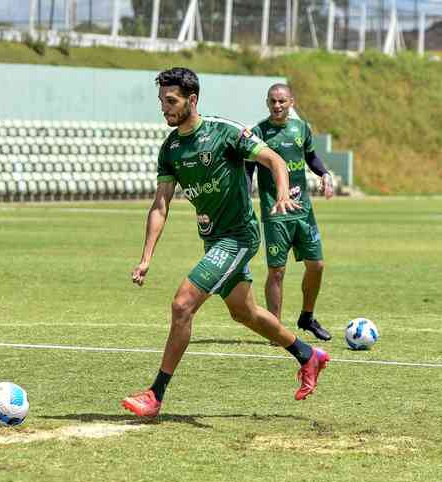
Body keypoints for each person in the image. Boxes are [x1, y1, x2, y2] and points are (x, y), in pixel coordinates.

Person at [121, 68, 329, 418]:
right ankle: (308, 355)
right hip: (213, 240)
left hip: (238, 237)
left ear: (192, 100)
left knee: (182, 305)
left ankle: (155, 395)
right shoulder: (170, 149)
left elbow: (273, 159)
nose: (164, 108)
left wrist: (280, 191)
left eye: (171, 101)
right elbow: (161, 204)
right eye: (161, 101)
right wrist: (146, 258)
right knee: (244, 313)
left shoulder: (224, 132)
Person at [249, 84, 333, 342]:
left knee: (316, 265)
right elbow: (247, 171)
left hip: (303, 211)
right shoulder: (258, 133)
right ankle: (274, 329)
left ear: (291, 103)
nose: (277, 106)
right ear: (267, 103)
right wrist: (245, 197)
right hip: (275, 212)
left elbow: (311, 157)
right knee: (277, 271)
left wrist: (325, 173)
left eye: (282, 101)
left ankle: (307, 316)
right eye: (273, 101)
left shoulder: (301, 128)